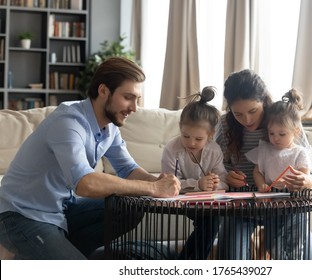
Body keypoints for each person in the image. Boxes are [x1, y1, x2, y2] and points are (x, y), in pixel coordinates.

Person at [0, 57, 181, 260]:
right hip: (21, 215)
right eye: (128, 97)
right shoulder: (68, 122)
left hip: (59, 209)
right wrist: (152, 188)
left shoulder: (109, 127)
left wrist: (159, 182)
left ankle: (61, 255)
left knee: (130, 207)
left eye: (137, 99)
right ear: (103, 91)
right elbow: (85, 184)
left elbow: (128, 168)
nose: (134, 108)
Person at [215, 69, 312, 260]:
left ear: (264, 100)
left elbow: (310, 174)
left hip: (285, 208)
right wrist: (226, 177)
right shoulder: (224, 125)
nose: (247, 120)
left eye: (253, 111)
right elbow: (215, 167)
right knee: (231, 257)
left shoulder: (285, 119)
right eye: (238, 113)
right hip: (241, 208)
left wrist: (307, 181)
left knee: (311, 260)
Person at [161, 86, 228, 259]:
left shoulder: (214, 151)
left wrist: (215, 183)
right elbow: (167, 184)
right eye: (185, 136)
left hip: (208, 204)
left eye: (198, 139)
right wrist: (197, 184)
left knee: (212, 220)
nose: (191, 143)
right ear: (180, 127)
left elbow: (224, 181)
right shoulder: (171, 149)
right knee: (211, 221)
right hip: (182, 200)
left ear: (211, 134)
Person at [246, 88, 312, 193]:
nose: (275, 138)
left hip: (292, 198)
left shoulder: (300, 152)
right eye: (271, 133)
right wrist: (261, 184)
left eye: (282, 134)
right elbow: (257, 172)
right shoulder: (265, 150)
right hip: (270, 198)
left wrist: (290, 183)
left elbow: (304, 176)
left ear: (296, 131)